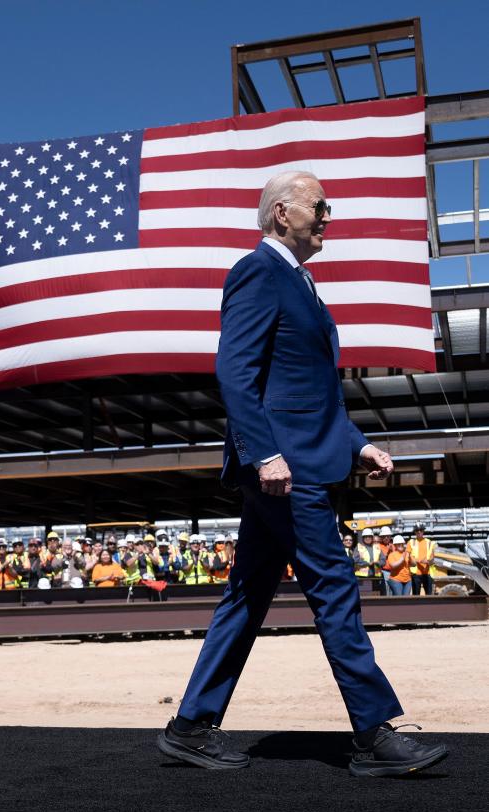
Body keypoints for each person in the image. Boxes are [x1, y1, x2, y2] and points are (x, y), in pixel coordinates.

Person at [158, 171, 448, 777]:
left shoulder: (301, 281)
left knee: (247, 594)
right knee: (334, 586)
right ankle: (373, 733)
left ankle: (190, 726)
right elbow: (236, 373)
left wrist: (358, 443)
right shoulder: (258, 272)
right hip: (284, 470)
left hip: (300, 460)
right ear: (280, 212)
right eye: (320, 205)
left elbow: (310, 390)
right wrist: (265, 453)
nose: (327, 216)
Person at [407, 524, 438, 596]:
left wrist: (428, 561)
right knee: (416, 596)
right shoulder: (411, 542)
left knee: (429, 595)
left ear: (423, 531)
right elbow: (408, 555)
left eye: (421, 530)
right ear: (414, 532)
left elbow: (434, 557)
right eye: (417, 530)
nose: (419, 532)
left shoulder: (430, 542)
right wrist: (418, 560)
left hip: (427, 573)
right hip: (415, 573)